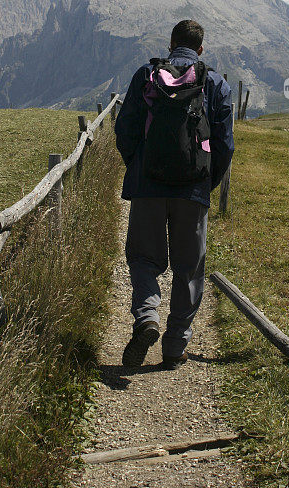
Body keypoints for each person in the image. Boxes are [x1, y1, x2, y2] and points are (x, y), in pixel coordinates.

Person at [114, 19, 234, 370]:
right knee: (189, 268)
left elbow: (126, 130)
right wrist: (206, 181)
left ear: (170, 44)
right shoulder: (214, 82)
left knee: (143, 258)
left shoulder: (146, 76)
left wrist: (138, 167)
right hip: (192, 189)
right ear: (200, 48)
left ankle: (147, 316)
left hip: (148, 185)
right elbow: (225, 143)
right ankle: (175, 344)